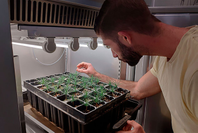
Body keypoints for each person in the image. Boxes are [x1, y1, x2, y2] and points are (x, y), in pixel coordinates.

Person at [76, 0, 198, 133]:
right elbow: (138, 89)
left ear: (125, 38)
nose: (114, 55)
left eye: (109, 46)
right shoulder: (164, 55)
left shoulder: (194, 70)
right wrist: (96, 75)